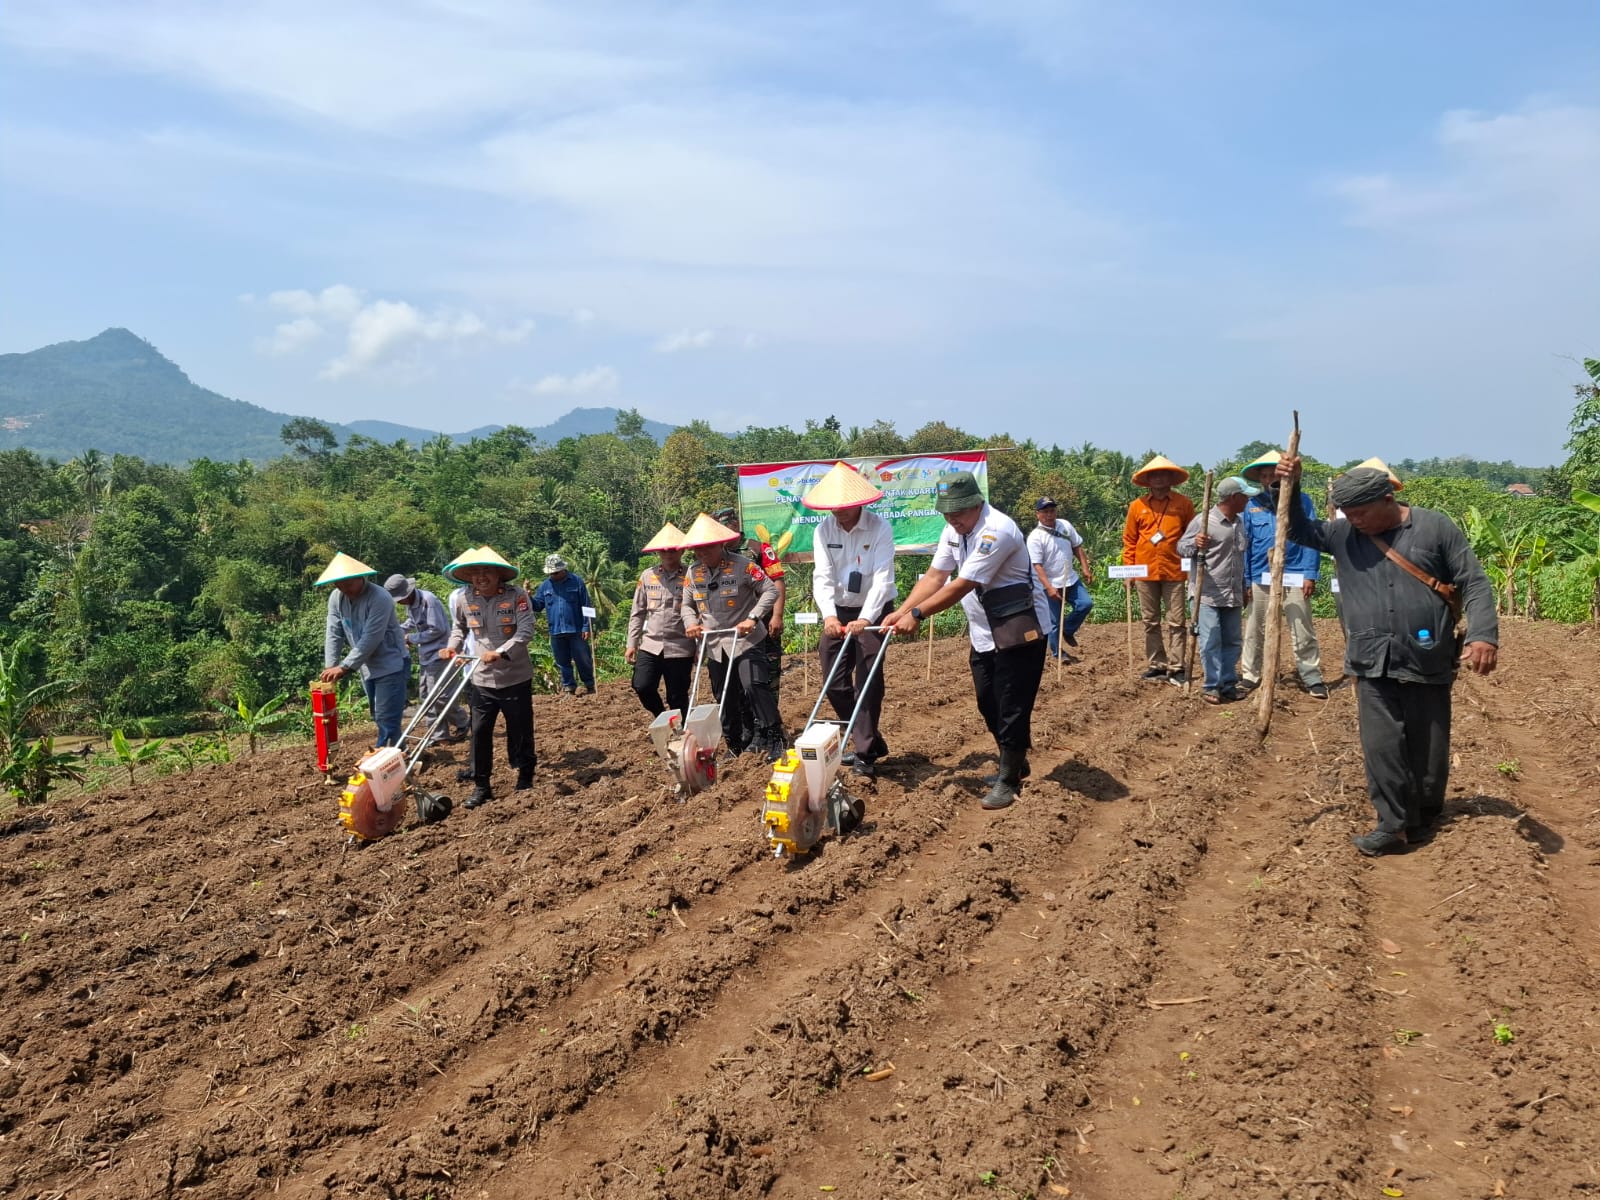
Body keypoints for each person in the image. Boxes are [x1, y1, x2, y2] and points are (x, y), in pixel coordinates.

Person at [1276, 459, 1499, 856]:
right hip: (1370, 656)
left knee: (1428, 745)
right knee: (1381, 745)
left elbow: (1474, 582)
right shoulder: (1342, 534)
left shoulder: (1434, 528)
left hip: (1426, 654)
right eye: (1348, 513)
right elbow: (1296, 528)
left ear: (1388, 499)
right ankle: (1392, 824)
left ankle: (1424, 812)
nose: (1354, 520)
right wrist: (1289, 486)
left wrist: (1483, 635)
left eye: (1361, 512)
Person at [885, 471, 1049, 810]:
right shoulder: (954, 530)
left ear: (977, 504)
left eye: (958, 512)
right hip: (984, 632)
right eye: (946, 513)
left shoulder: (997, 530)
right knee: (988, 701)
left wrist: (917, 615)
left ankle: (1008, 778)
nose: (952, 519)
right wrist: (901, 610)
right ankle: (1015, 762)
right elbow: (935, 576)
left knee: (1012, 706)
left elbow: (963, 584)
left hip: (1018, 632)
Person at [805, 462, 897, 777]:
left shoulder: (880, 528)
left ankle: (864, 752)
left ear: (859, 502)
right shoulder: (823, 530)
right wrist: (829, 615)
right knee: (833, 680)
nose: (838, 511)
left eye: (843, 505)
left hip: (875, 610)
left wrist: (867, 617)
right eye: (833, 506)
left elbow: (883, 579)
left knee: (868, 680)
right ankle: (869, 738)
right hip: (840, 609)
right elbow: (822, 576)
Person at [679, 511, 786, 761]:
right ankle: (735, 742)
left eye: (708, 547)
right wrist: (691, 623)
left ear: (720, 544)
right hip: (715, 643)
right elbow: (686, 605)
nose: (702, 553)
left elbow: (770, 590)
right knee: (724, 695)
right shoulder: (693, 572)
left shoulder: (743, 565)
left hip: (746, 640)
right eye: (697, 549)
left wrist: (753, 618)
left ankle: (775, 736)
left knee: (753, 685)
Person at [440, 546, 537, 808]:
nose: (481, 577)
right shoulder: (464, 598)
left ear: (499, 575)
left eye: (487, 572)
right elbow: (459, 628)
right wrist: (452, 647)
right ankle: (482, 786)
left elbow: (526, 630)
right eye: (476, 573)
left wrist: (501, 652)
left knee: (520, 730)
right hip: (481, 678)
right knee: (480, 732)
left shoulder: (517, 596)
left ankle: (525, 776)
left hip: (514, 676)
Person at [1237, 451, 1329, 699]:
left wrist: (1309, 573)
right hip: (1261, 575)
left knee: (1302, 627)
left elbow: (1312, 538)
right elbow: (1247, 544)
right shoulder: (1252, 505)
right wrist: (1247, 580)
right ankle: (1251, 675)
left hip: (1294, 573)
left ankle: (1311, 676)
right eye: (1264, 476)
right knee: (1255, 628)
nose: (1269, 480)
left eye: (1273, 475)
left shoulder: (1302, 501)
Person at [316, 552, 409, 748]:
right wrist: (330, 667)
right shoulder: (336, 598)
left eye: (348, 584)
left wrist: (344, 667)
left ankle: (384, 756)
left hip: (391, 663)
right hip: (366, 666)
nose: (344, 589)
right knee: (378, 715)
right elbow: (334, 632)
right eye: (339, 585)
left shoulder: (380, 598)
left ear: (361, 577)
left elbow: (371, 637)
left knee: (386, 716)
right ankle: (400, 753)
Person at [1177, 477, 1256, 703]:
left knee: (1232, 641)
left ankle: (1228, 683)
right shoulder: (1203, 521)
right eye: (1245, 496)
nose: (1248, 500)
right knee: (1211, 640)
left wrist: (1244, 587)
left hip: (1233, 592)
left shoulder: (1240, 523)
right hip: (1207, 593)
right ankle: (1212, 685)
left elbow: (1240, 558)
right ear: (1234, 497)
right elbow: (1181, 548)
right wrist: (1196, 543)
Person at [1123, 455, 1197, 682]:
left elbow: (1191, 536)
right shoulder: (1137, 506)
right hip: (1144, 572)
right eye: (1153, 475)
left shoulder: (1183, 504)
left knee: (1177, 621)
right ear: (1147, 480)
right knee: (1150, 621)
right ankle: (1157, 664)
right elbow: (1130, 540)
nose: (1158, 478)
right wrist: (1129, 571)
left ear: (1170, 478)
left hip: (1175, 571)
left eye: (1163, 474)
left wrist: (1191, 568)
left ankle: (1177, 666)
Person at [716, 504, 787, 721]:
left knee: (767, 676)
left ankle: (769, 723)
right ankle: (747, 726)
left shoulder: (758, 548)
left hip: (763, 622)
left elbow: (777, 581)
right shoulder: (715, 554)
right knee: (738, 679)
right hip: (733, 627)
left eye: (728, 526)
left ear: (736, 525)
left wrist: (777, 616)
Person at [384, 573, 469, 742]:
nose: (399, 602)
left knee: (440, 696)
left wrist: (411, 638)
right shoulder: (411, 604)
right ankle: (438, 735)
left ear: (407, 593)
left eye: (399, 599)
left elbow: (437, 629)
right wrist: (397, 631)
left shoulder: (428, 601)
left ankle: (463, 722)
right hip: (426, 655)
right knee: (426, 696)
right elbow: (412, 622)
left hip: (440, 653)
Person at [625, 523, 694, 716]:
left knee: (677, 696)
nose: (668, 554)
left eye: (672, 550)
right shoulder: (648, 576)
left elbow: (701, 612)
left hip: (681, 647)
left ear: (682, 550)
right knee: (642, 685)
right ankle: (661, 717)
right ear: (657, 552)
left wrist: (699, 646)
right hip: (651, 645)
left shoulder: (692, 575)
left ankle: (681, 729)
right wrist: (632, 643)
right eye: (663, 550)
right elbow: (638, 612)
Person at [1027, 497, 1094, 659]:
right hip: (1050, 583)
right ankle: (1058, 654)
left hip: (1070, 579)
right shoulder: (1035, 537)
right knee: (1054, 622)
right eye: (1045, 512)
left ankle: (1068, 630)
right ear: (1038, 514)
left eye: (1052, 511)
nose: (1049, 515)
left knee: (1085, 604)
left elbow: (1077, 546)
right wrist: (1049, 588)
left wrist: (1085, 568)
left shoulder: (1065, 525)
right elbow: (1037, 566)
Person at [532, 553, 595, 696]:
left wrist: (586, 626)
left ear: (563, 569)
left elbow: (586, 605)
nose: (553, 575)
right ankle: (569, 688)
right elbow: (538, 606)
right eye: (551, 573)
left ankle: (590, 685)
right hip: (556, 630)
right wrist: (527, 596)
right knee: (562, 662)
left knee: (583, 659)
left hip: (576, 629)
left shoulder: (577, 581)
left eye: (556, 572)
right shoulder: (545, 586)